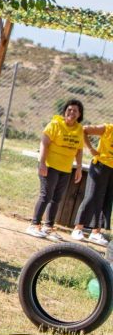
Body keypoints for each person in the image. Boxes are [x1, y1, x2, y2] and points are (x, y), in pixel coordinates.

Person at [26, 100, 84, 239]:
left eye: (75, 111)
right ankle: (34, 225)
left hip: (65, 168)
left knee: (57, 198)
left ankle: (48, 227)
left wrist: (79, 167)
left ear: (79, 114)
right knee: (46, 195)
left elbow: (79, 150)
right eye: (69, 109)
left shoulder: (79, 129)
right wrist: (42, 163)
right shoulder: (55, 124)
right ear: (64, 111)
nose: (71, 113)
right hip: (50, 166)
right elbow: (44, 142)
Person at [71, 123, 112, 246]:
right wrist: (90, 149)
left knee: (107, 200)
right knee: (92, 196)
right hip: (100, 166)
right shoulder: (108, 128)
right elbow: (84, 130)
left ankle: (96, 232)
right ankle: (78, 229)